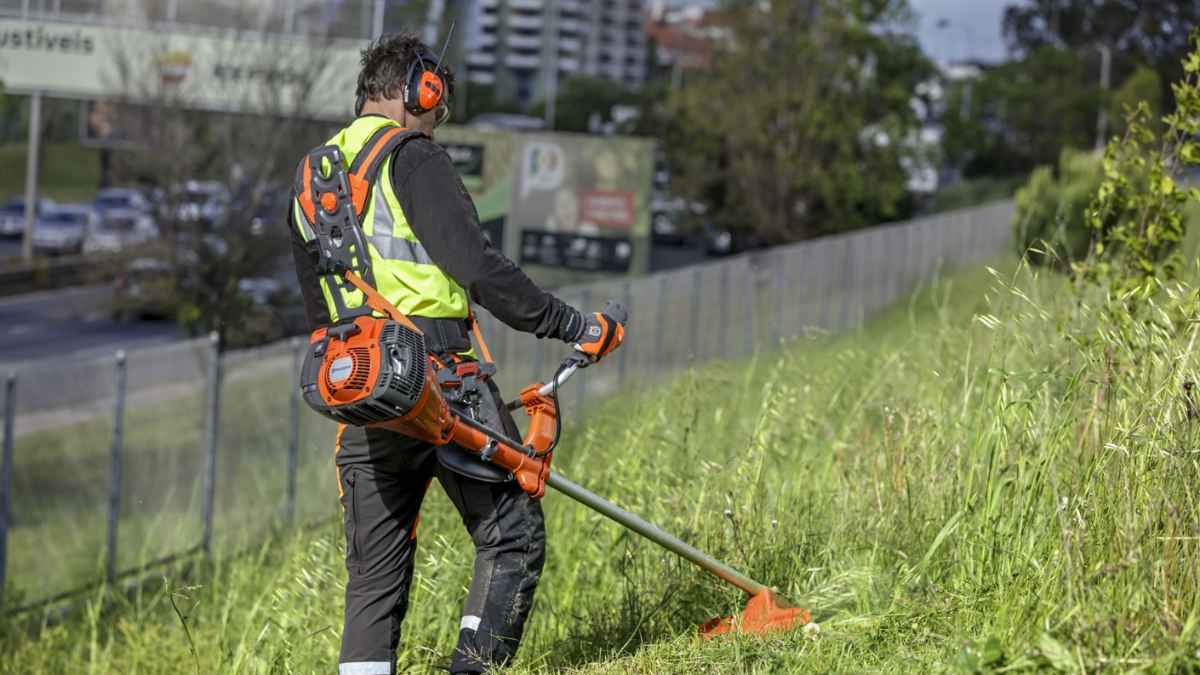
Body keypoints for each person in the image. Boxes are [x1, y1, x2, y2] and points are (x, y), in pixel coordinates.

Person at [286, 34, 623, 675]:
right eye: (436, 110)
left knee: (374, 578)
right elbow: (477, 266)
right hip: (441, 380)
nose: (437, 126)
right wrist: (572, 324)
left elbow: (318, 313)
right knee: (512, 536)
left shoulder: (311, 176)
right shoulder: (412, 157)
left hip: (360, 390)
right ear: (422, 91)